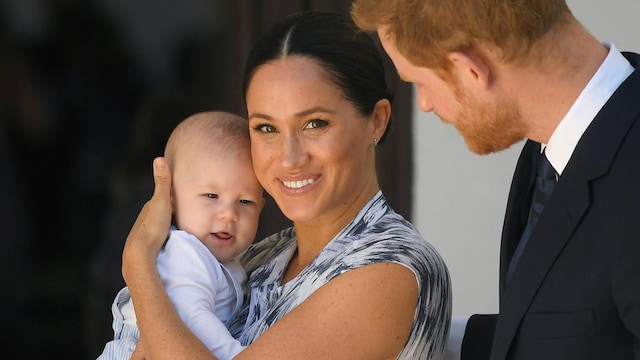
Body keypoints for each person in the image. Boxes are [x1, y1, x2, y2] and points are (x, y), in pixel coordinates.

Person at [119, 11, 451, 360]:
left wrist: (138, 263)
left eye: (315, 123)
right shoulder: (262, 256)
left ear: (376, 122)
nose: (289, 158)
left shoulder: (390, 269)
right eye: (266, 128)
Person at [351, 1, 640, 359]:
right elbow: (574, 331)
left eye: (418, 83)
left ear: (471, 70)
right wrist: (413, 332)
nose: (424, 104)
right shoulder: (551, 148)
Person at [97, 111, 265, 359]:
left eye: (245, 201)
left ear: (262, 207)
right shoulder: (185, 253)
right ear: (171, 199)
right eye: (211, 196)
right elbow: (192, 319)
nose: (229, 214)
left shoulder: (222, 260)